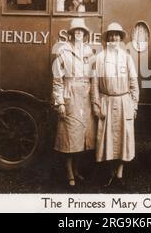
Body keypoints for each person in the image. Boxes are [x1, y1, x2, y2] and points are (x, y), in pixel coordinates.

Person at [92, 22, 139, 187]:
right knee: (107, 139)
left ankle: (119, 175)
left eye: (117, 35)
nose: (114, 38)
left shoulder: (126, 57)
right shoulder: (100, 58)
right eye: (111, 35)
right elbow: (95, 84)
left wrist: (134, 104)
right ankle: (110, 173)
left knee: (122, 139)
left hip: (124, 102)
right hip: (106, 101)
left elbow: (133, 82)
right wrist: (96, 105)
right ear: (107, 38)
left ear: (120, 38)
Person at [52, 18, 96, 187]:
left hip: (85, 98)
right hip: (70, 95)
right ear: (71, 34)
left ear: (85, 34)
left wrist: (95, 99)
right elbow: (57, 79)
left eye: (81, 31)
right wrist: (60, 102)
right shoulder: (63, 51)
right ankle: (69, 173)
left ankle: (77, 170)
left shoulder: (89, 52)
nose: (79, 34)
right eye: (76, 31)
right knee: (69, 136)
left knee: (82, 138)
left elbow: (94, 77)